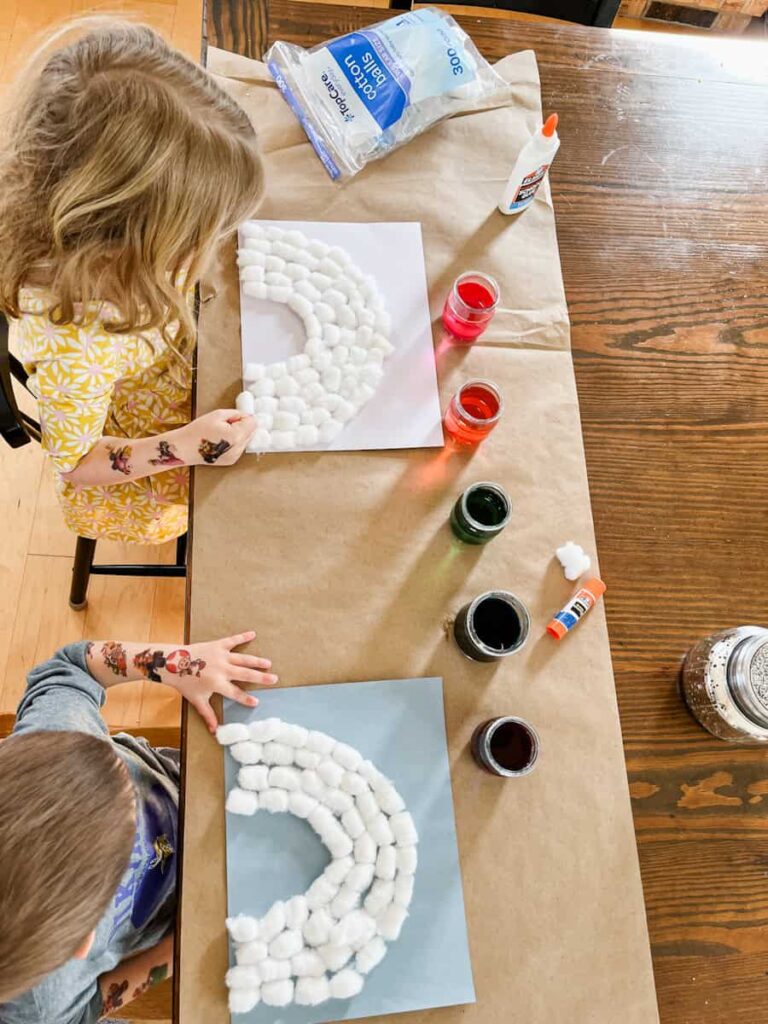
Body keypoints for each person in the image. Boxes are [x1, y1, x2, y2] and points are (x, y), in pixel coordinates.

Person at [0, 18, 261, 544]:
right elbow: (76, 461)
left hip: (155, 353)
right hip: (133, 439)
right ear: (134, 241)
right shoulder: (76, 350)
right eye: (203, 230)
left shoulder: (66, 208)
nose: (210, 245)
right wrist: (184, 446)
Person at [0, 630, 276, 1024]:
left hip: (187, 778)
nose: (127, 781)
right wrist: (182, 945)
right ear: (83, 943)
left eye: (117, 771)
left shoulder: (55, 732)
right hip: (188, 908)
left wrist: (174, 664)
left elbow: (73, 665)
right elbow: (88, 1008)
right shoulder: (39, 1009)